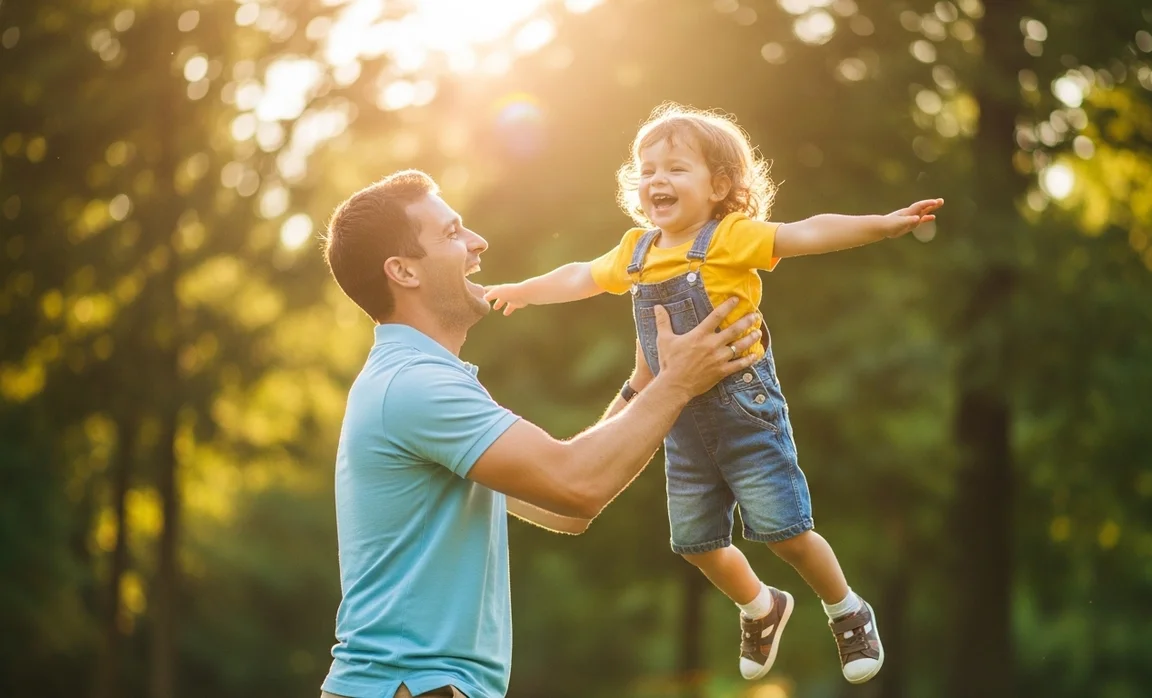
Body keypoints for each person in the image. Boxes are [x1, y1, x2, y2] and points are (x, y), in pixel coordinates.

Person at [483, 103, 943, 684]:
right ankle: (761, 606)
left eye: (675, 168)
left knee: (788, 535)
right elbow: (578, 274)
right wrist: (522, 289)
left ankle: (847, 609)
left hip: (745, 413)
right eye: (647, 169)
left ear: (719, 184)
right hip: (678, 423)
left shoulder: (731, 238)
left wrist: (883, 223)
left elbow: (809, 232)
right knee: (696, 543)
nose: (657, 180)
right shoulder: (636, 251)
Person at [318, 169, 762, 698]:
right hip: (412, 687)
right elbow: (575, 483)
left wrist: (644, 385)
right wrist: (679, 381)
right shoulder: (415, 385)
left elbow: (565, 509)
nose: (478, 242)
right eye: (452, 233)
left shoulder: (416, 379)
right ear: (403, 271)